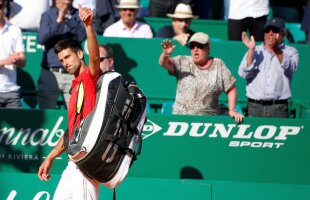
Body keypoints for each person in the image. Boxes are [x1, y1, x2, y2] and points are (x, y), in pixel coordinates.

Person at [38, 5, 102, 199]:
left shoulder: (89, 78)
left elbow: (96, 57)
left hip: (85, 160)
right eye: (61, 59)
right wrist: (50, 156)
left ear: (80, 54)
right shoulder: (75, 86)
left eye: (68, 56)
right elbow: (72, 132)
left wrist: (88, 26)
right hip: (73, 161)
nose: (64, 62)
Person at [159, 32, 244, 123]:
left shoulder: (218, 64)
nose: (195, 49)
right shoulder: (183, 61)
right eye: (192, 46)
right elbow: (163, 63)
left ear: (208, 48)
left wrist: (232, 110)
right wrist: (165, 54)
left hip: (208, 121)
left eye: (200, 46)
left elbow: (231, 88)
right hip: (181, 119)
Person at [238, 17, 299, 118]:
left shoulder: (291, 51)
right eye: (267, 30)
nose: (270, 33)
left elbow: (290, 68)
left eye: (274, 30)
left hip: (279, 107)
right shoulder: (255, 50)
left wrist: (276, 48)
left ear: (282, 34)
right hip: (254, 106)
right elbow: (243, 73)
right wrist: (251, 50)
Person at [38, 0, 87, 109]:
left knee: (76, 114)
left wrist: (68, 19)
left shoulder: (78, 14)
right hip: (51, 73)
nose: (65, 1)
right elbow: (41, 39)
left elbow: (82, 36)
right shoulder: (48, 15)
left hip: (73, 73)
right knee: (47, 114)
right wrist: (59, 20)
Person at [0, 0, 26, 108]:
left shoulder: (15, 30)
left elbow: (23, 62)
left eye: (0, 5)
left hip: (12, 92)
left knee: (17, 124)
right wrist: (8, 61)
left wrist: (17, 60)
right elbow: (8, 61)